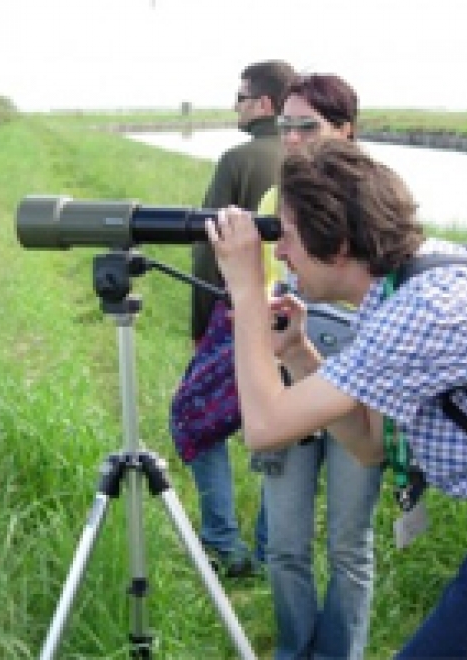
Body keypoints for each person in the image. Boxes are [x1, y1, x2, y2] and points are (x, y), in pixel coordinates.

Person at [206, 137, 467, 658]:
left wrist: (246, 289)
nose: (279, 251)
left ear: (339, 241)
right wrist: (300, 355)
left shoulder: (416, 312)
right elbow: (370, 445)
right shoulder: (409, 280)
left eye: (288, 236)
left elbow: (263, 427)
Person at [252, 74, 383, 660]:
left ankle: (340, 655)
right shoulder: (271, 201)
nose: (296, 139)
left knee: (349, 544)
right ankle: (294, 650)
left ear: (346, 131)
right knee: (284, 543)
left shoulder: (378, 199)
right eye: (286, 127)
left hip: (362, 376)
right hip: (292, 373)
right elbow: (256, 285)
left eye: (310, 126)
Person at [187, 59, 297, 577]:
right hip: (298, 316)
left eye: (241, 96)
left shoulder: (239, 159)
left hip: (241, 314)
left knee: (195, 420)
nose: (234, 105)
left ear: (265, 104)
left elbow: (209, 246)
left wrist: (200, 324)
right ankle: (271, 549)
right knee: (280, 430)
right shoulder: (312, 158)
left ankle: (223, 545)